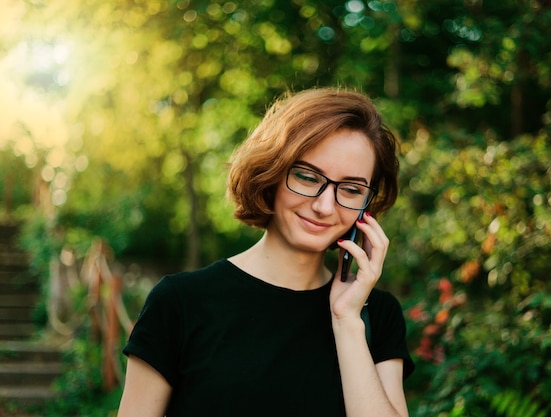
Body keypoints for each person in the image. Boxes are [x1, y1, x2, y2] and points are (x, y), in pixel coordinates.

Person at [117, 87, 415, 417]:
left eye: (351, 189)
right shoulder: (180, 303)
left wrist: (347, 322)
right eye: (306, 176)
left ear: (366, 206)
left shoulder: (376, 314)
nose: (324, 205)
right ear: (271, 172)